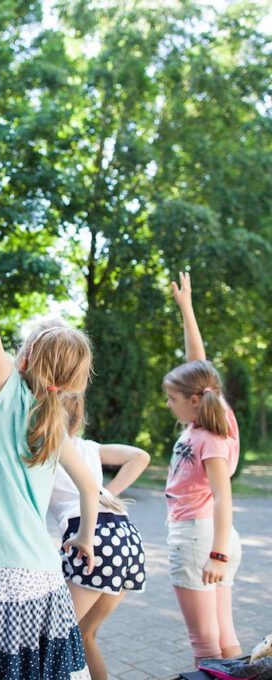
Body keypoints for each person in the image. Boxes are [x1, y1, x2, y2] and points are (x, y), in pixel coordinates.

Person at [0, 179, 98, 679]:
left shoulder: (10, 396)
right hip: (45, 574)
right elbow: (91, 485)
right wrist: (85, 539)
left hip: (6, 575)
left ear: (26, 357)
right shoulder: (55, 422)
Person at [164, 271, 242, 666]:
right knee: (225, 641)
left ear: (194, 400)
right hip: (209, 541)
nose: (169, 405)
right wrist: (187, 309)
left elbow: (224, 496)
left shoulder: (210, 436)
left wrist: (218, 555)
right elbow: (199, 364)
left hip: (200, 540)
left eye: (173, 398)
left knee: (206, 647)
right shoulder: (212, 416)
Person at [48, 378, 150, 680]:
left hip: (93, 539)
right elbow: (139, 456)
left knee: (52, 637)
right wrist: (108, 493)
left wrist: (102, 494)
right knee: (84, 634)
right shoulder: (91, 448)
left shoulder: (47, 452)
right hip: (126, 539)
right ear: (79, 418)